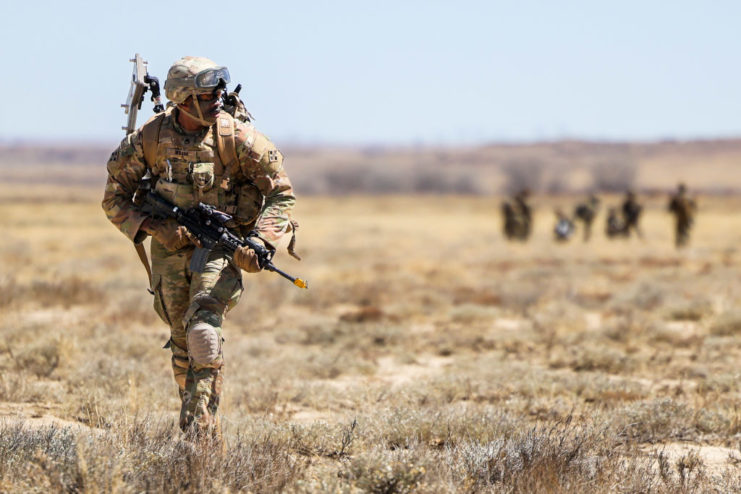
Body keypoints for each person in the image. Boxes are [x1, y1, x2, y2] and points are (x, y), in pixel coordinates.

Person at [102, 56, 297, 436]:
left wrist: (259, 243)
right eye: (208, 95)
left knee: (204, 332)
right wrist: (156, 229)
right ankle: (201, 425)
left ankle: (200, 436)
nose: (218, 99)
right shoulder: (151, 139)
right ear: (184, 100)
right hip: (169, 254)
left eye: (219, 92)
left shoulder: (237, 138)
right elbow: (114, 198)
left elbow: (282, 194)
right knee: (181, 346)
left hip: (220, 250)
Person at [668, 182, 697, 248]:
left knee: (680, 231)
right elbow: (694, 208)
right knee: (684, 231)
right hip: (685, 217)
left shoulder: (679, 198)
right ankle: (683, 244)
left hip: (682, 218)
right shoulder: (689, 198)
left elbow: (671, 209)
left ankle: (681, 244)